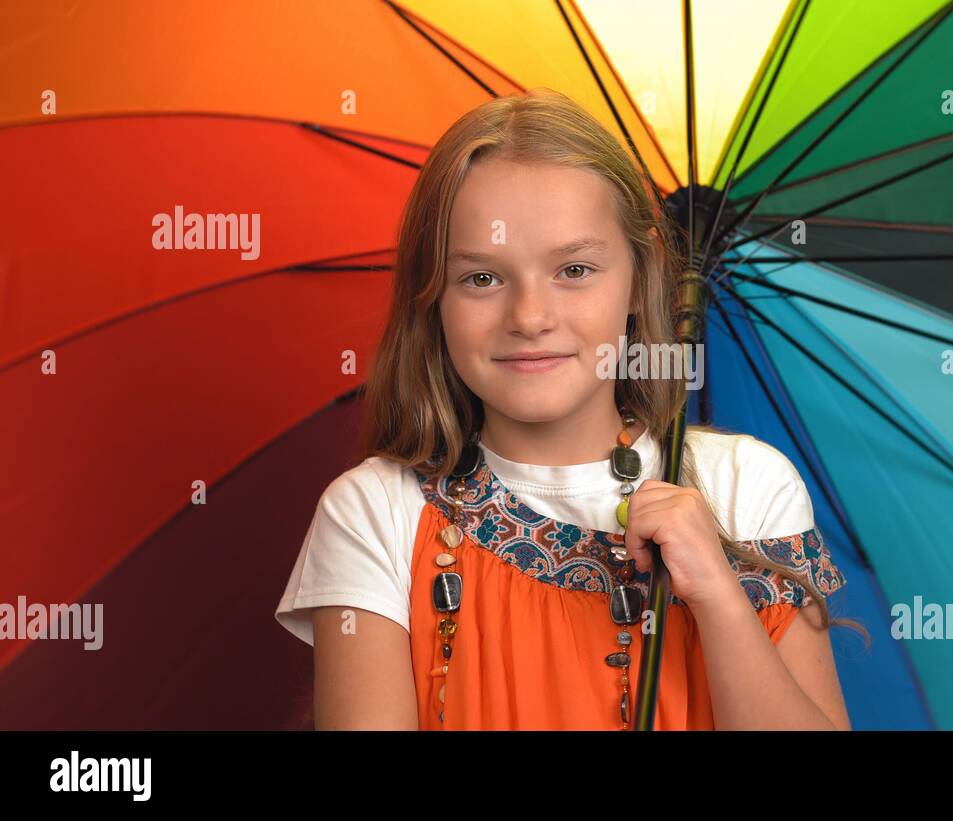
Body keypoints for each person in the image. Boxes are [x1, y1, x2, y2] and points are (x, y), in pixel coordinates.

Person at [275, 87, 865, 730]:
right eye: (482, 278)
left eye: (575, 269)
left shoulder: (745, 488)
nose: (530, 317)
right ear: (432, 296)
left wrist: (720, 596)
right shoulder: (375, 513)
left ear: (642, 278)